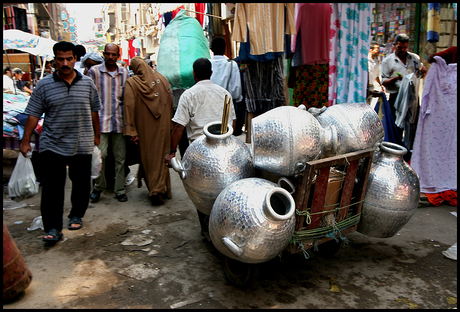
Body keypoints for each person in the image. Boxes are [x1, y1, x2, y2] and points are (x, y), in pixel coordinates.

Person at [18, 41, 101, 243]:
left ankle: (76, 215)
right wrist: (25, 140)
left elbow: (94, 111)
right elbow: (33, 114)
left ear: (75, 59)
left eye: (69, 59)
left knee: (81, 184)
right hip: (52, 143)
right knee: (52, 188)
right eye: (61, 59)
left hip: (81, 142)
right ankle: (53, 227)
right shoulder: (44, 85)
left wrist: (97, 136)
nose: (65, 63)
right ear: (55, 60)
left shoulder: (87, 83)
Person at [164, 57, 235, 237]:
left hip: (199, 151)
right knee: (224, 189)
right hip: (224, 148)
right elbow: (233, 122)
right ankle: (222, 227)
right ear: (211, 73)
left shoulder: (188, 95)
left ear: (194, 74)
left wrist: (172, 152)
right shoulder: (224, 93)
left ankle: (206, 228)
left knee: (201, 192)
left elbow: (179, 127)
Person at [123, 56, 174, 205]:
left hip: (144, 128)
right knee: (162, 156)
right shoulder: (162, 79)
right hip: (164, 126)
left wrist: (131, 130)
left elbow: (129, 107)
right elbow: (170, 102)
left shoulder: (132, 83)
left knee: (148, 158)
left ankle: (155, 190)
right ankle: (161, 188)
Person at [88, 43, 129, 203]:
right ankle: (98, 187)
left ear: (118, 56)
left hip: (119, 121)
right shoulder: (95, 72)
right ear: (104, 54)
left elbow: (127, 98)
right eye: (108, 54)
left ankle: (119, 189)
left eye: (114, 55)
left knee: (120, 158)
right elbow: (90, 97)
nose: (111, 57)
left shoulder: (124, 72)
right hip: (101, 122)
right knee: (101, 156)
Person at [381, 34, 427, 125]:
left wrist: (423, 71)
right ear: (394, 45)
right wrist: (396, 78)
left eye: (405, 47)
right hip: (396, 96)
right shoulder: (387, 61)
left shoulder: (414, 58)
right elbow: (384, 82)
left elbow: (420, 75)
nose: (402, 50)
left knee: (412, 123)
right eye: (399, 47)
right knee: (396, 124)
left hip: (412, 96)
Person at [209, 37, 244, 136]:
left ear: (211, 49)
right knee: (225, 135)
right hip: (227, 105)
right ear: (225, 48)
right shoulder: (232, 65)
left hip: (210, 104)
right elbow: (237, 91)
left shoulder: (207, 64)